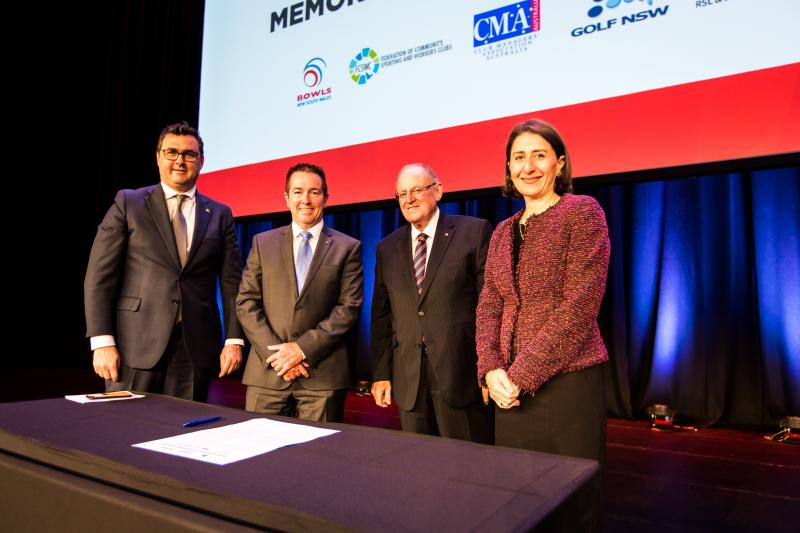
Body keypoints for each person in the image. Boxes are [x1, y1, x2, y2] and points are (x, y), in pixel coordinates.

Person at [476, 118, 610, 528]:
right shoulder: (502, 231)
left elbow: (580, 306)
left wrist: (521, 374)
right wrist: (491, 369)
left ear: (560, 164)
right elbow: (489, 306)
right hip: (508, 393)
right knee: (519, 505)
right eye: (519, 157)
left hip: (567, 384)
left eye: (539, 155)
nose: (528, 167)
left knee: (569, 507)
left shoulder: (582, 212)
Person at [84, 121, 244, 402]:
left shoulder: (220, 213)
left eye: (189, 154)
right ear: (158, 157)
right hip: (134, 344)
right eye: (172, 152)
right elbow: (99, 276)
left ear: (201, 161)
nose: (180, 161)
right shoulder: (128, 203)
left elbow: (232, 284)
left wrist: (233, 340)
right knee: (126, 433)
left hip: (194, 350)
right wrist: (102, 341)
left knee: (182, 435)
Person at [371, 163, 493, 443]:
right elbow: (381, 316)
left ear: (437, 191)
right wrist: (380, 373)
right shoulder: (386, 248)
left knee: (467, 467)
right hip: (409, 379)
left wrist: (488, 367)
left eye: (416, 190)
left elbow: (490, 307)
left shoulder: (473, 232)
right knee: (419, 468)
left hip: (461, 374)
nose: (409, 199)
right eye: (402, 194)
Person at [236, 163, 363, 422]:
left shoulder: (348, 247)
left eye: (314, 192)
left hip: (323, 375)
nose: (305, 199)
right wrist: (279, 356)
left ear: (326, 198)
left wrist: (301, 350)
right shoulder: (262, 243)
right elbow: (246, 301)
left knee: (320, 460)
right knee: (258, 457)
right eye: (297, 191)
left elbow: (348, 308)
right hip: (268, 372)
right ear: (286, 198)